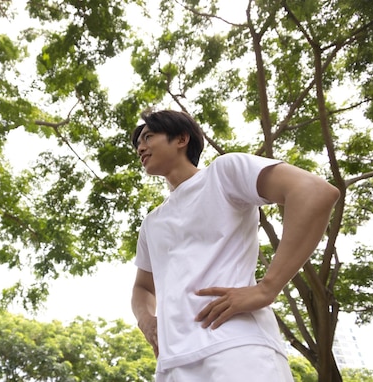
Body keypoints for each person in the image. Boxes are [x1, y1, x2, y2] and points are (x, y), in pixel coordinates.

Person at [130, 109, 340, 381]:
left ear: (182, 139)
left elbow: (315, 192)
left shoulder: (222, 172)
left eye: (148, 137)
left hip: (237, 348)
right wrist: (145, 319)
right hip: (172, 365)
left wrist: (267, 288)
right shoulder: (152, 222)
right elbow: (143, 287)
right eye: (137, 143)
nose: (140, 147)